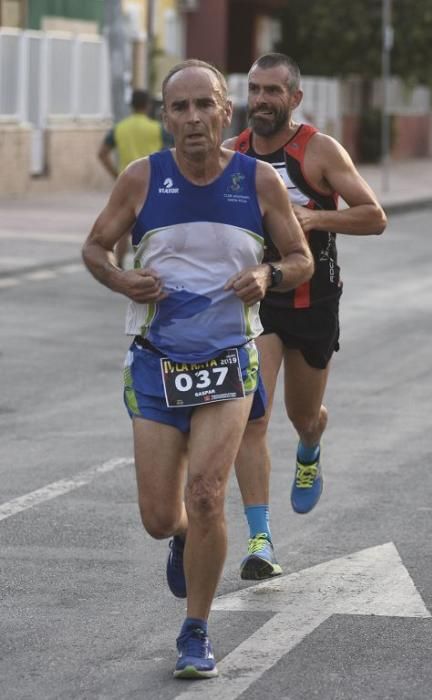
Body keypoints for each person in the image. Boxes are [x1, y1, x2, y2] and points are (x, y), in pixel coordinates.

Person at [82, 59, 313, 680]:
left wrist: (269, 274)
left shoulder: (258, 182)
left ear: (225, 112)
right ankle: (184, 534)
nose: (192, 119)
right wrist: (120, 277)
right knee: (161, 516)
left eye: (203, 106)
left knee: (209, 493)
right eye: (179, 108)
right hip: (156, 365)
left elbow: (299, 258)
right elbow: (95, 246)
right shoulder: (141, 179)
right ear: (165, 118)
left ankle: (196, 629)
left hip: (229, 365)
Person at [223, 53, 387, 581]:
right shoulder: (233, 156)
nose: (262, 100)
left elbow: (374, 216)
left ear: (294, 98)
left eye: (273, 91)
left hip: (314, 300)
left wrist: (314, 215)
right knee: (254, 415)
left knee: (302, 414)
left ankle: (311, 445)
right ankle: (260, 539)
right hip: (261, 300)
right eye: (255, 90)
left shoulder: (317, 150)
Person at [97, 89, 167, 267]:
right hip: (152, 183)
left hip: (127, 183)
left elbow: (102, 153)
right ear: (148, 105)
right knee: (151, 228)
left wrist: (116, 175)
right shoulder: (157, 128)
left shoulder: (120, 128)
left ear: (131, 105)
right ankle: (150, 264)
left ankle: (119, 265)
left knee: (123, 228)